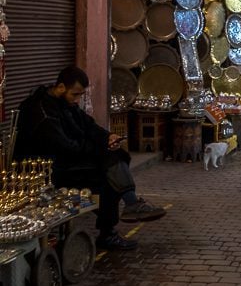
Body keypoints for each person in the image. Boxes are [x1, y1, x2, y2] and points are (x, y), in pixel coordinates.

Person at [15, 67, 166, 251]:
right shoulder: (42, 112)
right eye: (75, 94)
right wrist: (100, 147)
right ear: (61, 87)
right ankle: (126, 210)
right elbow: (65, 147)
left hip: (68, 160)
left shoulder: (66, 103)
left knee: (111, 167)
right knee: (109, 173)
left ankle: (126, 209)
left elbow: (87, 125)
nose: (77, 100)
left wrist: (107, 137)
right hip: (49, 169)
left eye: (80, 95)